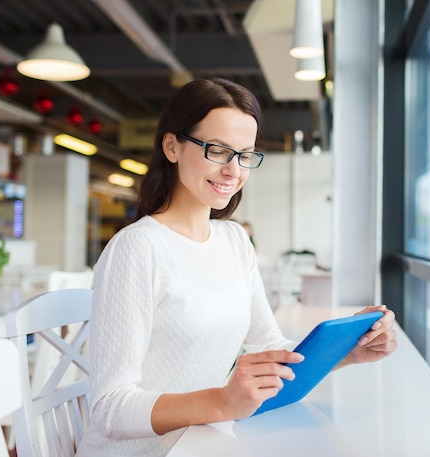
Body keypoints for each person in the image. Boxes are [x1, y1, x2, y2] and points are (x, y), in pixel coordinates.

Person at [76, 77, 397, 457]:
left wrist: (345, 352)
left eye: (245, 155)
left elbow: (270, 347)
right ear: (172, 146)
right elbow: (110, 408)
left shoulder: (233, 239)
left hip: (205, 442)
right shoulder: (136, 248)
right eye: (218, 150)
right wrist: (222, 402)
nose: (234, 170)